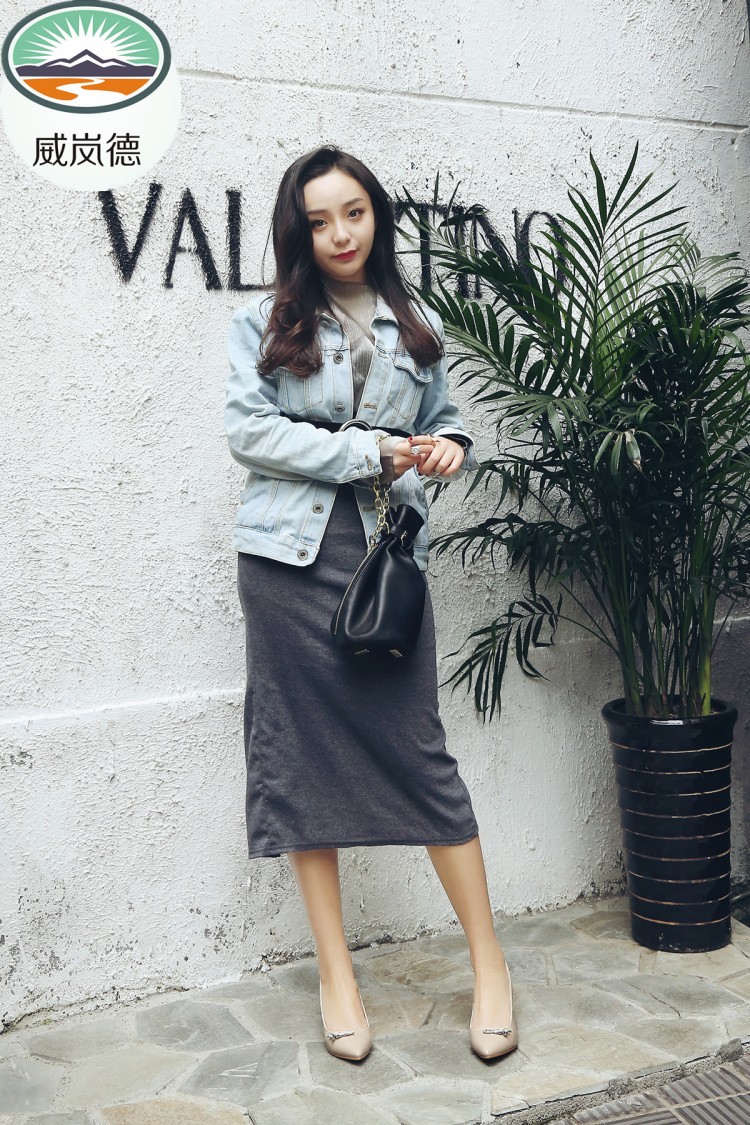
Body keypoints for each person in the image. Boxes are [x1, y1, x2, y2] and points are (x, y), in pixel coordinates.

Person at [224, 145, 517, 1062]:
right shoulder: (263, 321)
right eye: (318, 220)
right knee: (301, 756)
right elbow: (250, 432)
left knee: (419, 752)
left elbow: (443, 417)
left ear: (376, 215)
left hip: (384, 558)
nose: (340, 233)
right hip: (287, 562)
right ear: (298, 232)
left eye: (353, 212)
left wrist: (448, 445)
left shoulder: (414, 323)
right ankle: (336, 975)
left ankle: (491, 964)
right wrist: (369, 451)